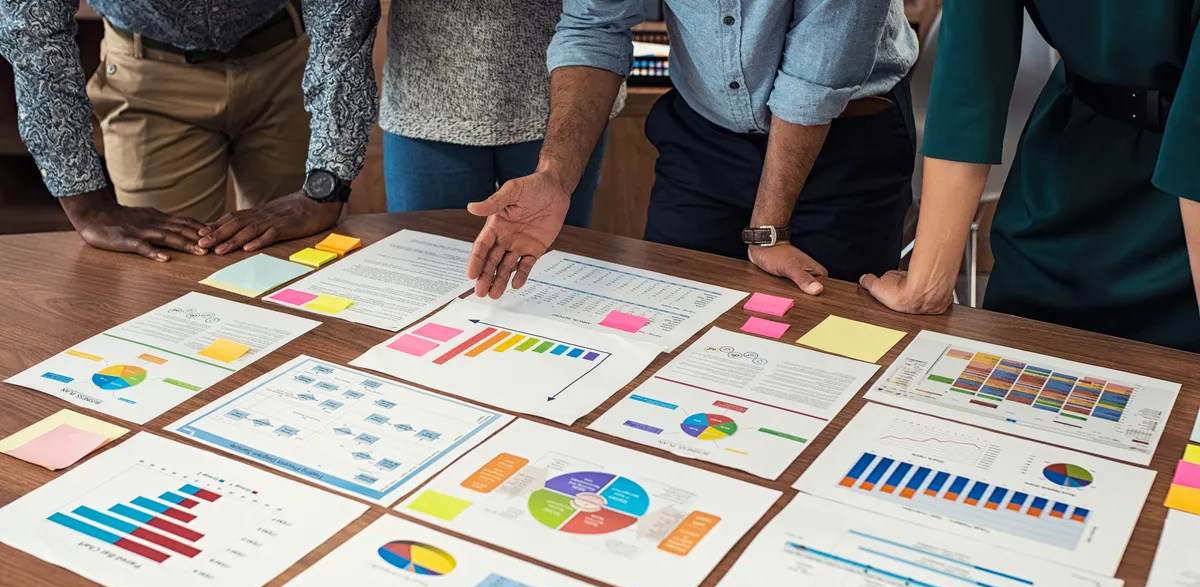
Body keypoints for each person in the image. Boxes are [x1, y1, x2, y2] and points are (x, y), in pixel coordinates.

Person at [465, 0, 918, 300]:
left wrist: (768, 230)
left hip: (843, 137)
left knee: (823, 346)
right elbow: (595, 25)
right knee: (670, 316)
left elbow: (815, 77)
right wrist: (555, 175)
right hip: (704, 132)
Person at [861, 2, 1200, 352]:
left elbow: (972, 65)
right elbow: (971, 65)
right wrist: (926, 284)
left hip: (1168, 211)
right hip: (1065, 179)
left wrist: (927, 283)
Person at [0, 0, 378, 261]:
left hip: (287, 56)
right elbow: (34, 34)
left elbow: (342, 15)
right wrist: (85, 203)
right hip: (148, 72)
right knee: (165, 281)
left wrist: (327, 183)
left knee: (298, 267)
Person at [380, 0, 622, 228]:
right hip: (422, 105)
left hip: (566, 96)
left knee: (556, 264)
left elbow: (599, 19)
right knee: (422, 264)